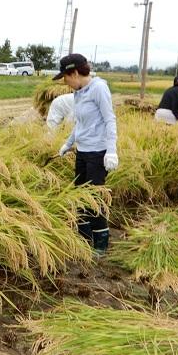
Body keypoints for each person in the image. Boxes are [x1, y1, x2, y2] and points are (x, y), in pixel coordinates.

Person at [53, 53, 118, 256]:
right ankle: (84, 239)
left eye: (65, 77)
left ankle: (101, 243)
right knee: (80, 197)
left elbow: (110, 120)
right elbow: (80, 123)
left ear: (74, 73)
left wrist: (112, 150)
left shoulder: (98, 88)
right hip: (82, 152)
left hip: (98, 154)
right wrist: (68, 143)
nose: (65, 82)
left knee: (94, 199)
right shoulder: (79, 93)